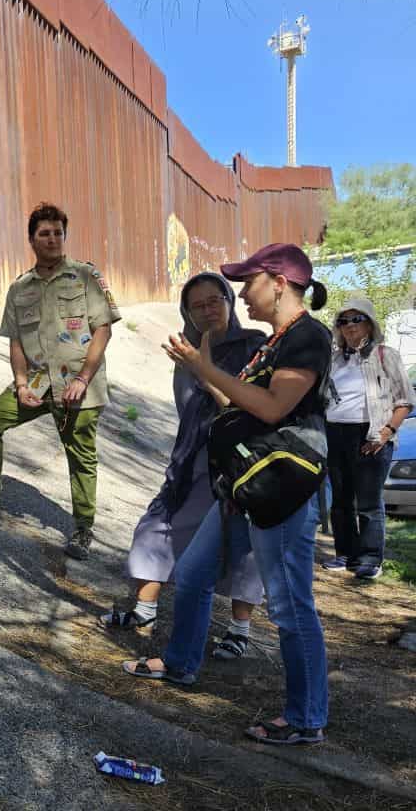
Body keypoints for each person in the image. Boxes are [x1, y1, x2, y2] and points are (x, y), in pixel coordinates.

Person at [122, 243, 332, 747]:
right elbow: (232, 400)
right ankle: (179, 664)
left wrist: (207, 368)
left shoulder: (307, 337)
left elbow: (272, 407)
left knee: (290, 605)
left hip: (278, 491)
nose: (240, 292)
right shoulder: (276, 341)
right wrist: (203, 361)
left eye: (248, 281)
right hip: (243, 487)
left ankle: (306, 718)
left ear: (279, 282)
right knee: (191, 574)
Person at [100, 273, 266, 659]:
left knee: (243, 545)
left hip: (242, 462)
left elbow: (245, 408)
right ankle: (144, 612)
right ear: (186, 311)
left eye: (215, 301)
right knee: (158, 525)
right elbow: (188, 410)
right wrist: (195, 366)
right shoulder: (186, 351)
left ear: (229, 301)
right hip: (195, 458)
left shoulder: (256, 347)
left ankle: (239, 630)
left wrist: (204, 371)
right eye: (198, 305)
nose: (208, 311)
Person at [0, 202, 121, 560]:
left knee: (81, 456)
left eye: (58, 232)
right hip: (40, 380)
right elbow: (16, 341)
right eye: (45, 233)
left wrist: (84, 378)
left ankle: (83, 530)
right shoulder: (20, 287)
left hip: (78, 382)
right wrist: (22, 384)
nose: (53, 239)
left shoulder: (86, 276)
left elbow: (102, 329)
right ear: (32, 240)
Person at [322, 296, 413, 579]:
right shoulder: (334, 359)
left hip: (371, 434)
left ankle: (371, 558)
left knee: (369, 502)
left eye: (356, 319)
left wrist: (386, 433)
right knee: (340, 501)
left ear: (370, 324)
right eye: (343, 321)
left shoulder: (386, 355)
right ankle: (345, 554)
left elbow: (405, 400)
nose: (349, 326)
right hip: (334, 433)